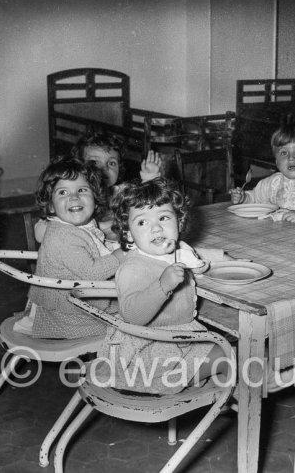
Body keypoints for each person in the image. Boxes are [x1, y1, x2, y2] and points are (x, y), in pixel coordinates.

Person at [95, 178, 229, 394]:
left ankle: (224, 395)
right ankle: (235, 396)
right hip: (151, 350)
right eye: (142, 222)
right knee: (228, 356)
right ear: (128, 233)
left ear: (179, 222)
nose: (156, 228)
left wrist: (220, 259)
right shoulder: (133, 267)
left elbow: (193, 257)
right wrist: (162, 285)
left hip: (176, 337)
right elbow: (132, 316)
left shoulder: (174, 251)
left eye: (164, 217)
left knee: (228, 351)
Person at [14, 157, 127, 338]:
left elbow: (93, 246)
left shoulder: (76, 226)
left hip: (77, 304)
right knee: (134, 323)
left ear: (95, 199)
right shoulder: (62, 236)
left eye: (82, 190)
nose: (74, 197)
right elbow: (92, 272)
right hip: (68, 317)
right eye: (63, 192)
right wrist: (121, 255)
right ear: (51, 205)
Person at [34, 132, 162, 242]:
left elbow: (149, 205)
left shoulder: (123, 192)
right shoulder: (71, 197)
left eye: (112, 163)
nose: (104, 168)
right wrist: (92, 227)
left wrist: (149, 179)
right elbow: (40, 233)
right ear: (78, 167)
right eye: (94, 162)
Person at [230, 123, 295, 224]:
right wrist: (243, 198)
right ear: (276, 161)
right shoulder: (272, 183)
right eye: (284, 153)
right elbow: (254, 199)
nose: (291, 157)